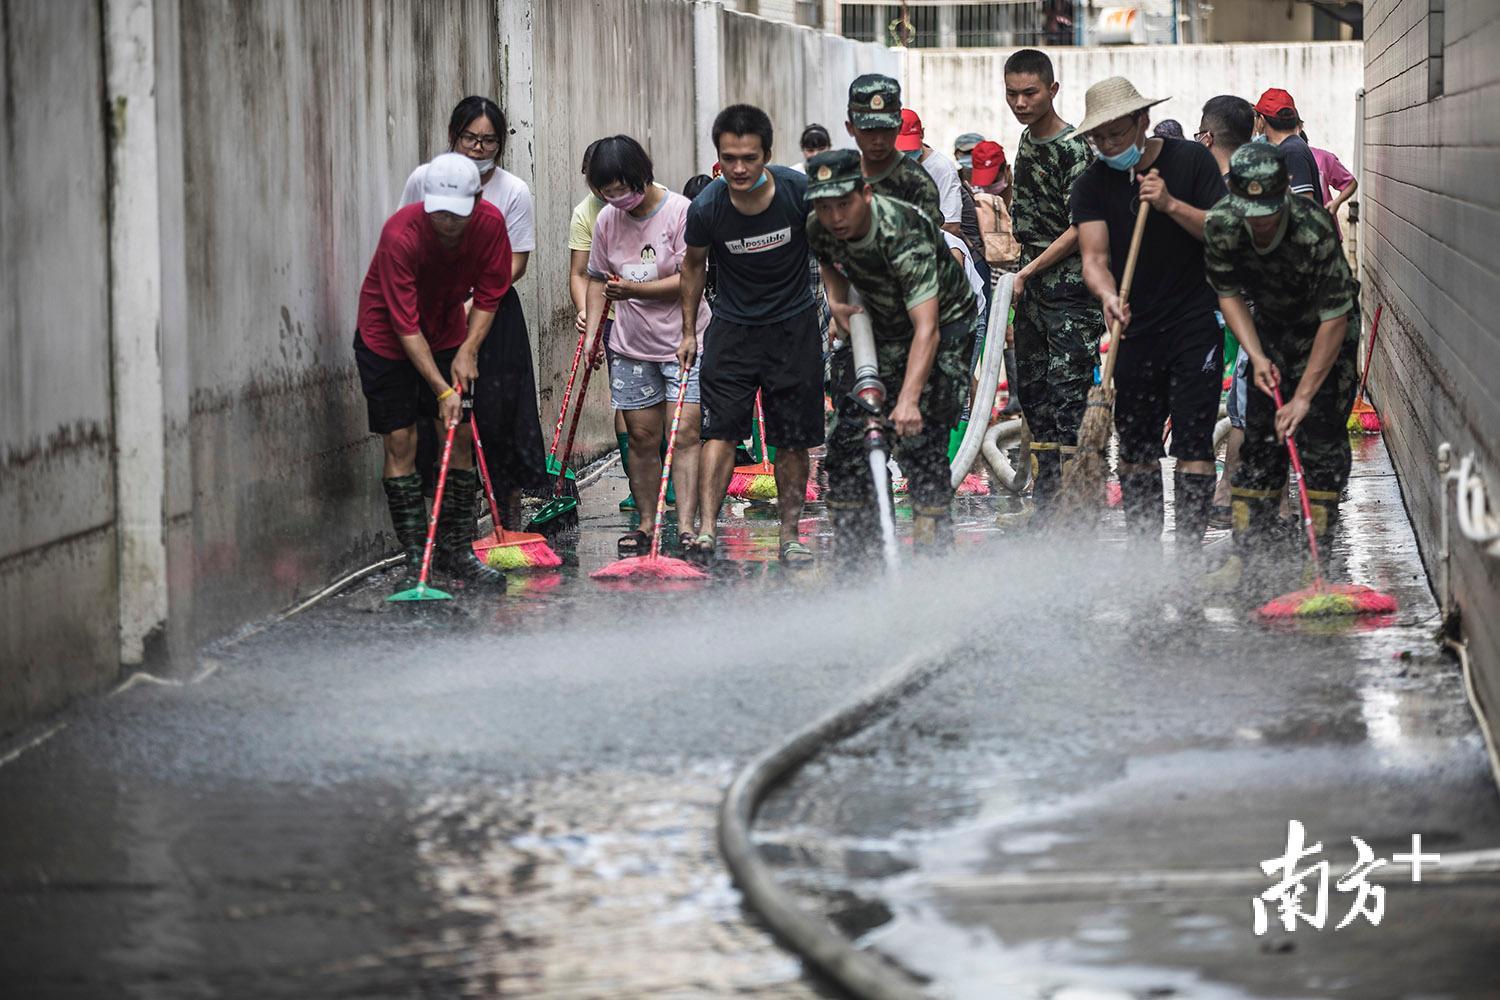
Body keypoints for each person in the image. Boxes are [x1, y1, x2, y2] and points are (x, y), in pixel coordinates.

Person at [1071, 76, 1228, 565]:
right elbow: (1094, 259)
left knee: (1194, 443)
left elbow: (1223, 230)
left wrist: (1169, 205)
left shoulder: (1191, 161)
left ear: (1143, 121)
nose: (1107, 145)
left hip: (1193, 322)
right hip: (1132, 328)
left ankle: (1187, 556)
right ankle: (1143, 558)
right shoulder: (1091, 184)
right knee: (1136, 447)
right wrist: (1107, 295)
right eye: (1098, 137)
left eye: (1116, 133)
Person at [1202, 143, 1360, 591]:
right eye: (1251, 213)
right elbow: (1228, 294)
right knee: (1259, 443)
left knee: (1321, 446)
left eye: (1268, 213)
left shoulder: (1313, 228)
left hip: (1326, 334)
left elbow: (1335, 317)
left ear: (1286, 191)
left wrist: (1304, 397)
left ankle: (1317, 565)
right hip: (1269, 330)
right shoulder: (1222, 224)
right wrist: (1256, 355)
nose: (1260, 223)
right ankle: (1247, 560)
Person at [807, 149, 976, 566]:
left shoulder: (903, 232)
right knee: (847, 444)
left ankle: (933, 563)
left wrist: (909, 400)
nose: (835, 217)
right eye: (825, 207)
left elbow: (927, 327)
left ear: (865, 194)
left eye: (843, 204)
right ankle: (858, 562)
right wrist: (837, 302)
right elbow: (828, 259)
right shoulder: (818, 225)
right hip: (879, 321)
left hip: (943, 323)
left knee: (920, 441)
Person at [357, 153, 511, 589]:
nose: (447, 223)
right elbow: (405, 327)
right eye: (439, 213)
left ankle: (455, 550)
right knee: (401, 440)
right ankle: (415, 558)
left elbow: (489, 296)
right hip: (386, 340)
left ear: (476, 201)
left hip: (447, 332)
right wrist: (442, 389)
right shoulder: (400, 234)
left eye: (456, 214)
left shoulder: (490, 225)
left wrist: (468, 350)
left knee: (458, 435)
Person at [679, 104, 823, 566]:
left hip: (793, 329)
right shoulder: (707, 207)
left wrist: (840, 309)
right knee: (719, 432)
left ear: (767, 155)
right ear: (718, 157)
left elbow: (829, 250)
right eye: (729, 159)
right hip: (732, 330)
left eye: (749, 158)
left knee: (793, 438)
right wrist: (688, 331)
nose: (738, 169)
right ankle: (706, 529)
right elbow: (692, 266)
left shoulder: (798, 193)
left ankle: (790, 535)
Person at [399, 97, 549, 529]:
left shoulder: (513, 190)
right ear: (453, 135)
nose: (479, 149)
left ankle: (508, 520)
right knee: (439, 415)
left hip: (494, 313)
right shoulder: (423, 180)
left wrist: (475, 300)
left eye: (489, 141)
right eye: (470, 138)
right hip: (435, 314)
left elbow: (517, 261)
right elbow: (406, 239)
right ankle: (449, 527)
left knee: (499, 415)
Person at [584, 136, 708, 557]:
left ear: (641, 176)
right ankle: (646, 523)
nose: (616, 198)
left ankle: (687, 526)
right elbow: (597, 279)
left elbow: (690, 277)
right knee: (640, 436)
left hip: (683, 340)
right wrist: (592, 336)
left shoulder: (680, 212)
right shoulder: (606, 221)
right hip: (631, 345)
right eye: (606, 192)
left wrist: (634, 290)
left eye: (622, 188)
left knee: (685, 432)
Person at [1003, 48, 1104, 525]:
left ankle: (1077, 510)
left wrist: (1027, 271)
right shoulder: (1027, 139)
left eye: (1030, 93)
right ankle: (1046, 508)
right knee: (1034, 395)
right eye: (1012, 94)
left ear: (1053, 90)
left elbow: (1080, 226)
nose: (1020, 103)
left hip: (1068, 292)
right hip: (1032, 287)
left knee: (1070, 399)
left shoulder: (1074, 149)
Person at [1195, 94, 1256, 527]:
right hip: (1246, 309)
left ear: (1207, 136)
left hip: (1256, 312)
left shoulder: (1224, 191)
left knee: (1247, 411)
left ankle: (1228, 496)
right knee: (1244, 407)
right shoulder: (1257, 180)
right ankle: (1234, 496)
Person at [844, 75, 943, 230]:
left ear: (899, 127)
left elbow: (928, 240)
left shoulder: (917, 184)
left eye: (886, 129)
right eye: (868, 130)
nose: (879, 140)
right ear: (850, 128)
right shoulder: (840, 177)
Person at [896, 108, 963, 238]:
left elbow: (951, 225)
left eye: (910, 148)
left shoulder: (942, 168)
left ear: (922, 134)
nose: (905, 154)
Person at [1252, 89, 1321, 201]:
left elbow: (1304, 202)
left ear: (1262, 120)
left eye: (1256, 117)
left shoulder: (1292, 151)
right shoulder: (1290, 147)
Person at [1302, 128, 1358, 240]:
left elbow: (1350, 183)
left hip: (1326, 233)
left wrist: (1336, 203)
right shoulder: (1277, 160)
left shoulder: (1323, 158)